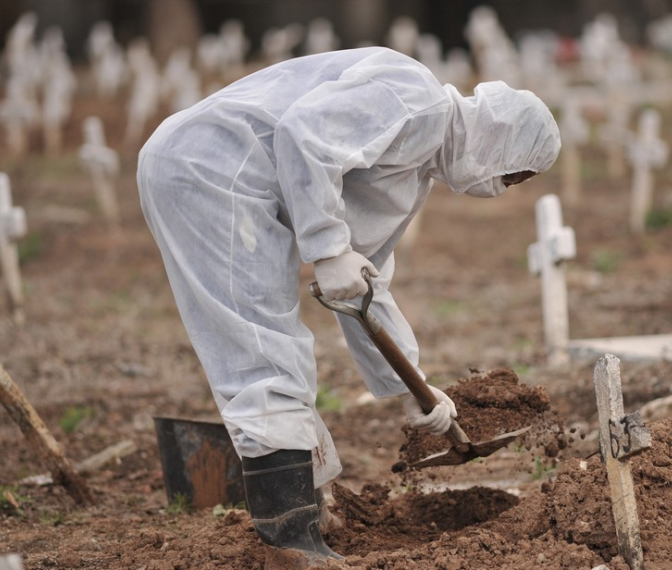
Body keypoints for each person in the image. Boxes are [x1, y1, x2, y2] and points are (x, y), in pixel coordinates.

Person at [137, 46, 561, 562]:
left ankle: (311, 509)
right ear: (500, 139)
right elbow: (303, 136)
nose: (499, 189)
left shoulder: (413, 174)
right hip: (212, 167)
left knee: (274, 350)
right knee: (260, 348)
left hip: (229, 179)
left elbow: (366, 287)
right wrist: (327, 246)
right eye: (512, 176)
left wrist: (411, 387)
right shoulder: (417, 98)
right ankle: (291, 539)